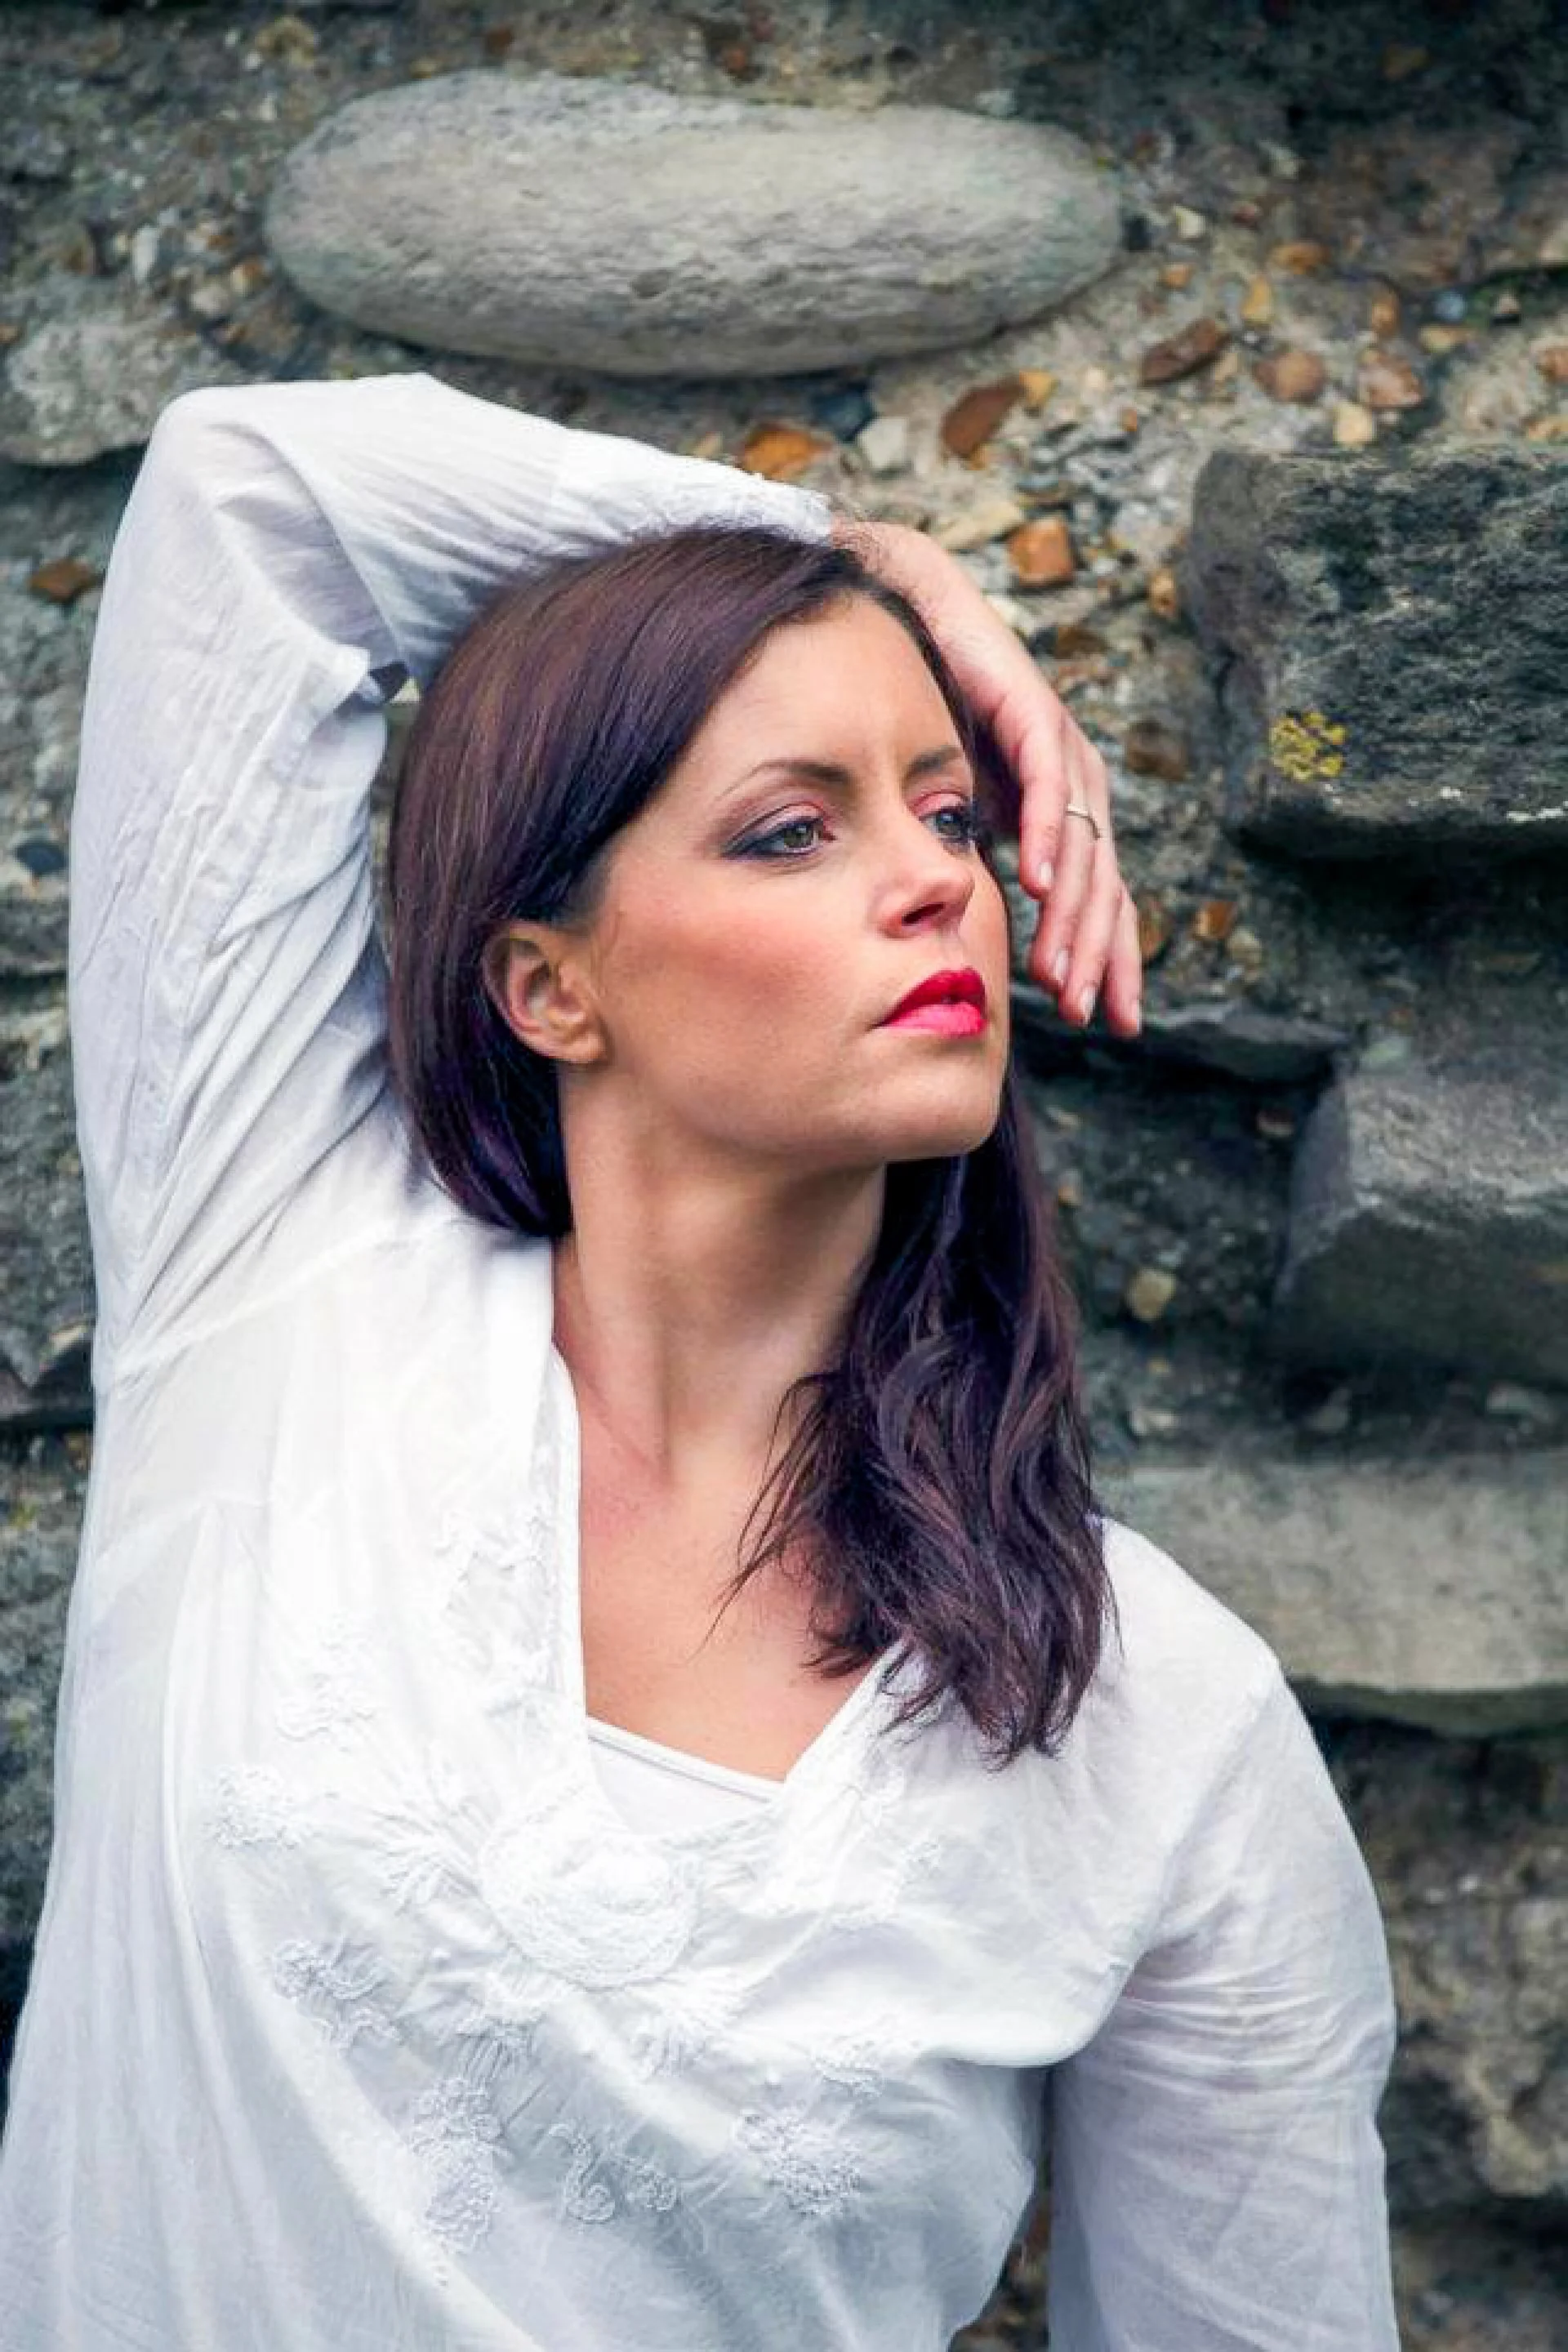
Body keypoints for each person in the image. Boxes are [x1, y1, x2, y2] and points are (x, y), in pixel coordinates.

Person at [0, 371, 1399, 2350]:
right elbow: (257, 496)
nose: (937, 878)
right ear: (548, 983)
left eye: (946, 809)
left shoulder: (1156, 1718)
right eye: (789, 830)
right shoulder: (278, 1290)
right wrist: (873, 570)